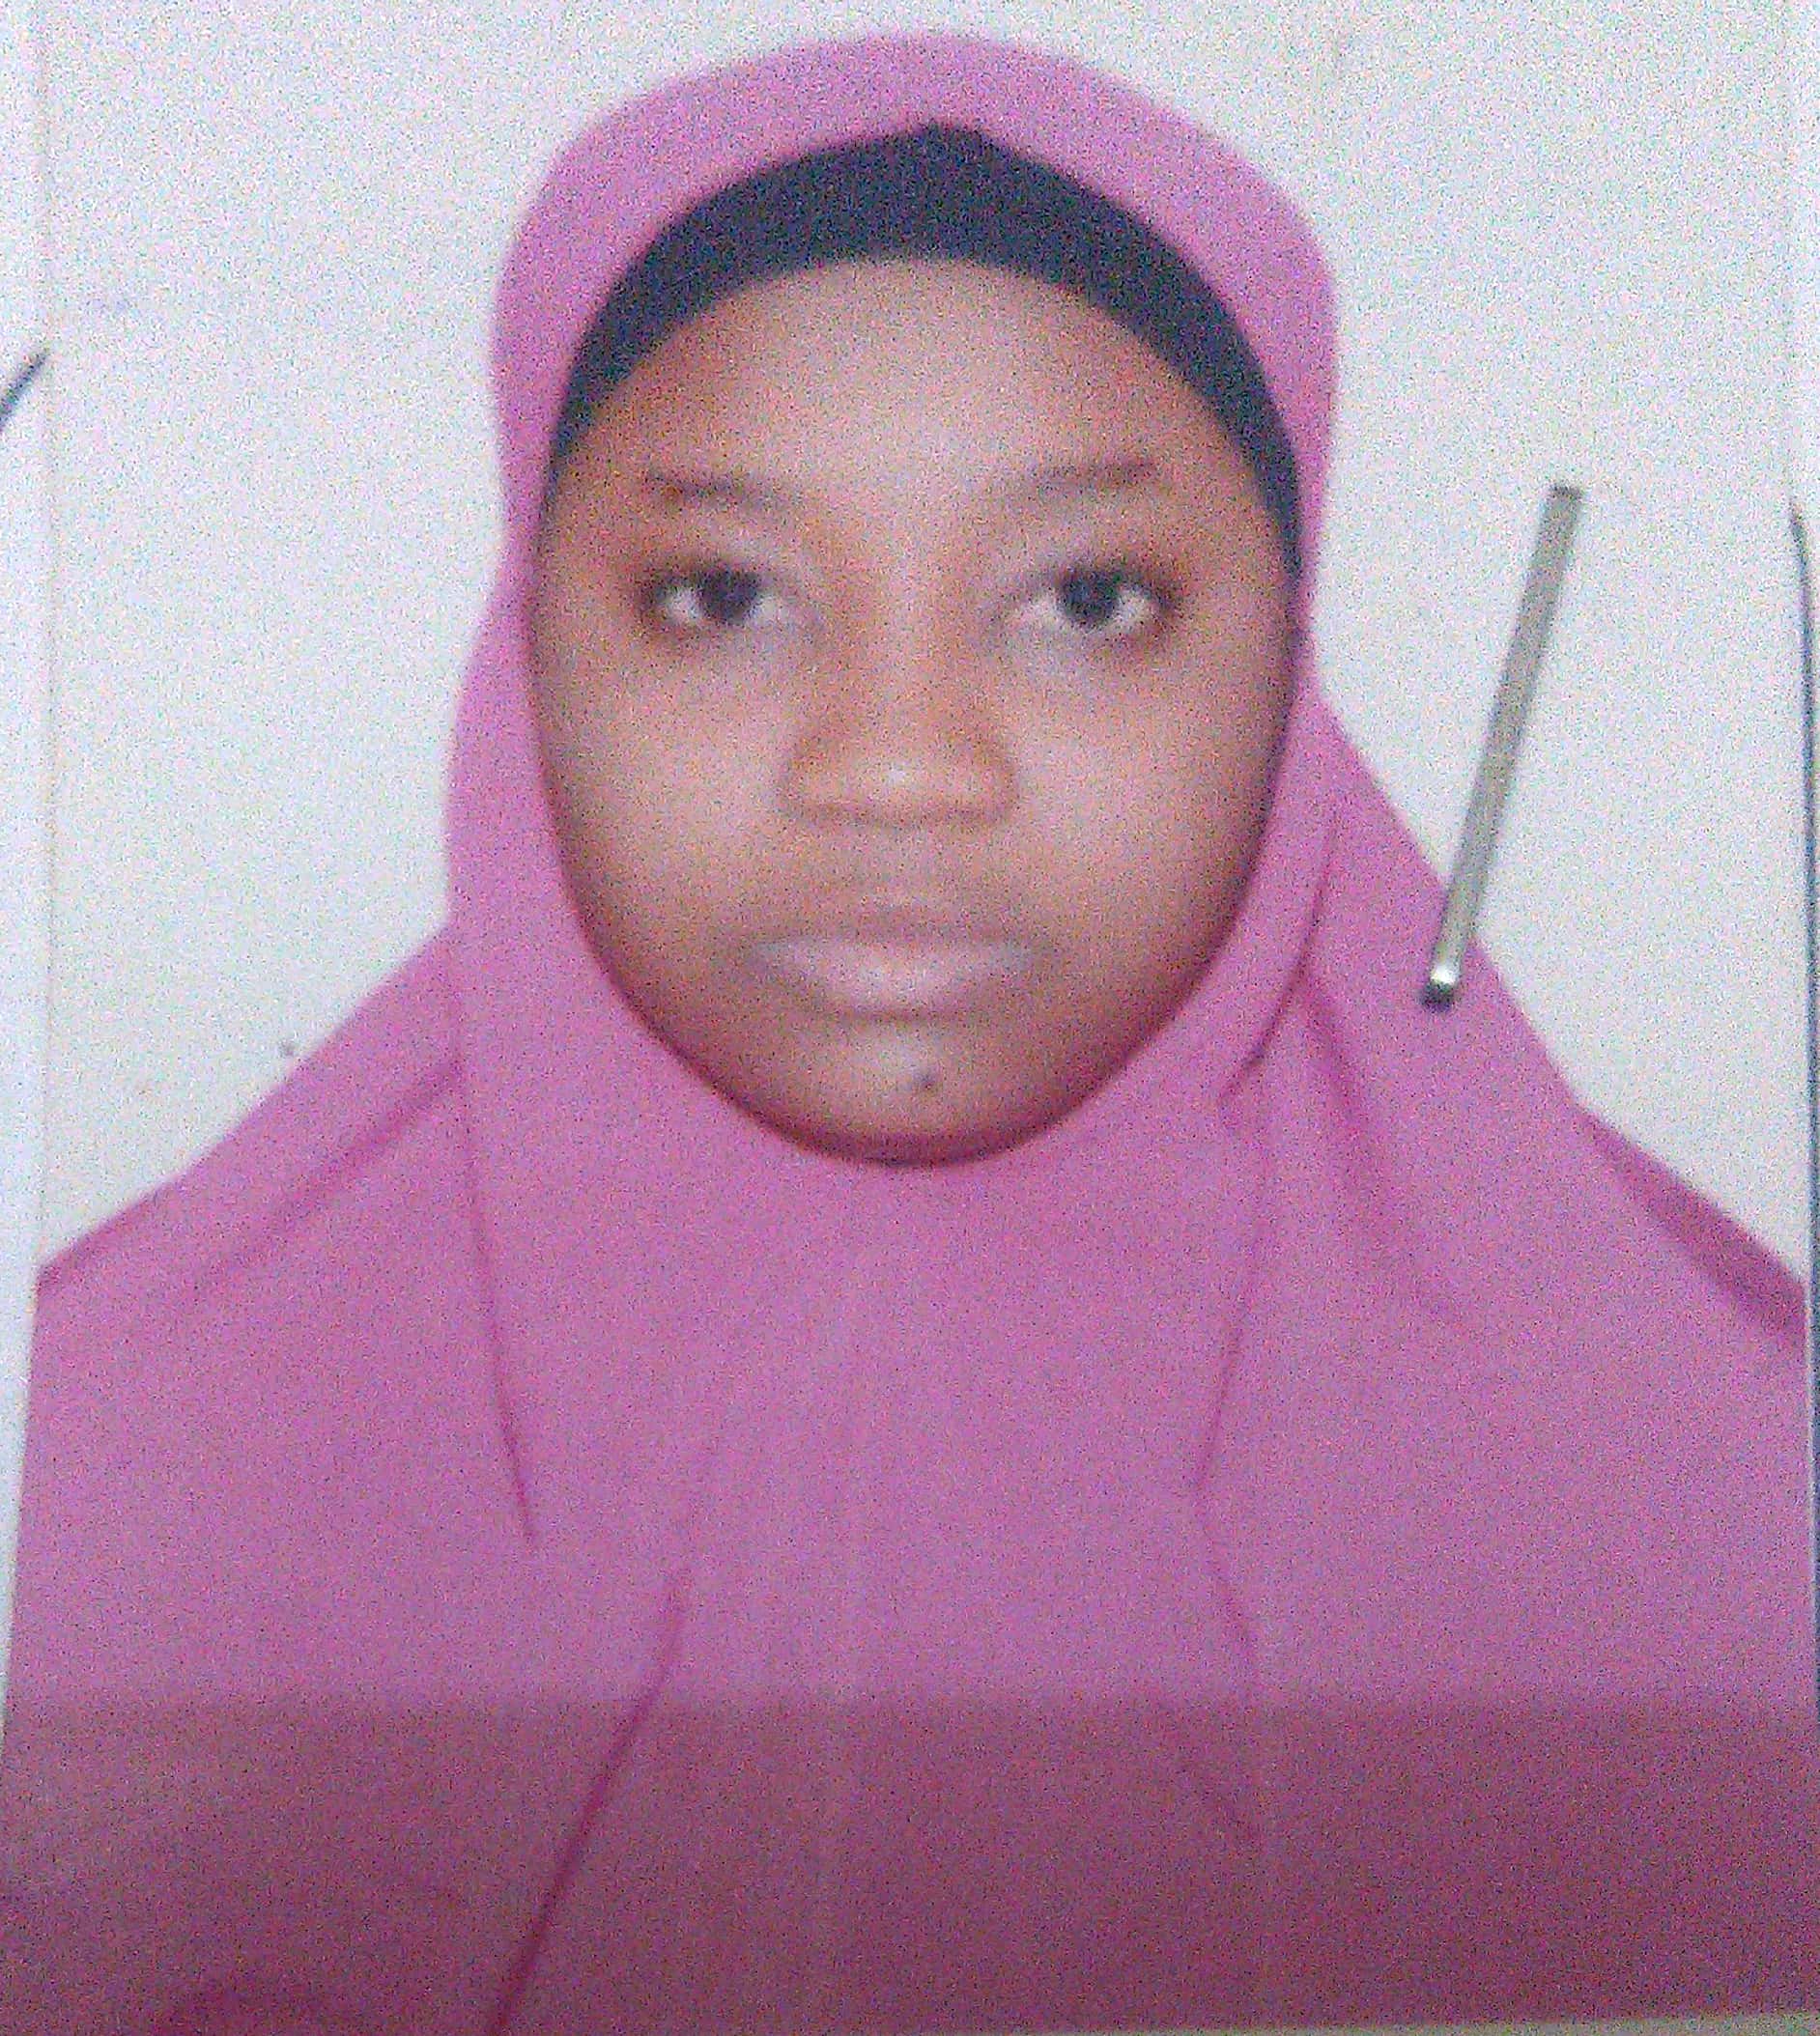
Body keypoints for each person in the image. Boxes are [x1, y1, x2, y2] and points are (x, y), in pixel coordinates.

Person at [2, 30, 1814, 2036]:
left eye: (1090, 600)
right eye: (720, 596)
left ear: (1287, 666)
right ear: (524, 652)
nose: (897, 767)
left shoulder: (1723, 1503)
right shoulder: (91, 1475)